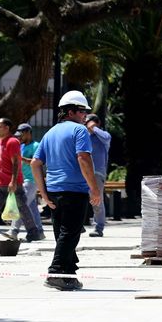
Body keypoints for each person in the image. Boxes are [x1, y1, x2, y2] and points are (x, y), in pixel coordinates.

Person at [32, 90, 103, 291]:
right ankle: (56, 272)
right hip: (74, 191)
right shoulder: (79, 131)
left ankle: (68, 274)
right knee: (69, 233)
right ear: (70, 111)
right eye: (82, 111)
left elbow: (36, 163)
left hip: (54, 191)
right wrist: (94, 189)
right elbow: (83, 158)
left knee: (62, 234)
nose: (85, 116)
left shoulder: (49, 133)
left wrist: (44, 193)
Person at [0, 117, 44, 240]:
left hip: (14, 183)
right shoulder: (0, 141)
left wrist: (13, 181)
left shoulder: (12, 142)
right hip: (0, 184)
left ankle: (33, 232)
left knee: (23, 208)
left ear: (7, 128)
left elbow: (16, 162)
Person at [8, 123, 45, 241]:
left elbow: (36, 162)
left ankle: (13, 231)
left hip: (32, 180)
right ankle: (39, 231)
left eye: (22, 135)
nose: (20, 138)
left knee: (21, 205)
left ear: (28, 132)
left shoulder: (36, 146)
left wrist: (20, 158)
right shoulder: (21, 147)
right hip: (23, 180)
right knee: (32, 208)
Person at [85, 113, 112, 237]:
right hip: (83, 172)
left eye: (88, 123)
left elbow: (107, 138)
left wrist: (94, 128)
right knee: (77, 199)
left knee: (96, 200)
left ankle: (98, 227)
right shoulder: (84, 136)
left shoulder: (103, 137)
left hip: (97, 173)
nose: (86, 125)